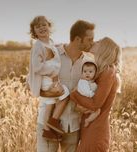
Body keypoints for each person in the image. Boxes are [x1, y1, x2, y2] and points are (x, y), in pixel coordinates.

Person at [37, 20, 95, 152]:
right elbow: (33, 85)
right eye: (89, 39)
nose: (92, 43)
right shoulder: (52, 54)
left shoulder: (89, 63)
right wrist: (54, 93)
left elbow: (91, 90)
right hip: (47, 125)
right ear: (78, 39)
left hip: (73, 126)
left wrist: (86, 105)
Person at [70, 37, 122, 152]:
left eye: (98, 42)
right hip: (90, 130)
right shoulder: (99, 71)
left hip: (96, 132)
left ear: (104, 49)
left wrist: (74, 94)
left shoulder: (108, 72)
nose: (94, 42)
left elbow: (95, 104)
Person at [27, 16, 70, 142]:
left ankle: (47, 130)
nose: (41, 28)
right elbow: (36, 67)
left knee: (49, 103)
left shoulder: (50, 43)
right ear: (34, 32)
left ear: (49, 27)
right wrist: (53, 72)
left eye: (44, 25)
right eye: (37, 26)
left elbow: (54, 55)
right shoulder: (38, 46)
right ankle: (54, 121)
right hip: (46, 79)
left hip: (49, 78)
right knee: (65, 93)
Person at [76, 60, 101, 127]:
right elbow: (85, 92)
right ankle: (88, 120)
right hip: (84, 100)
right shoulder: (82, 82)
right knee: (97, 110)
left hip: (86, 100)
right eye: (85, 71)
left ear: (95, 73)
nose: (87, 73)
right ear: (81, 73)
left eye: (90, 72)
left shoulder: (90, 82)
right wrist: (93, 94)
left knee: (94, 111)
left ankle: (86, 120)